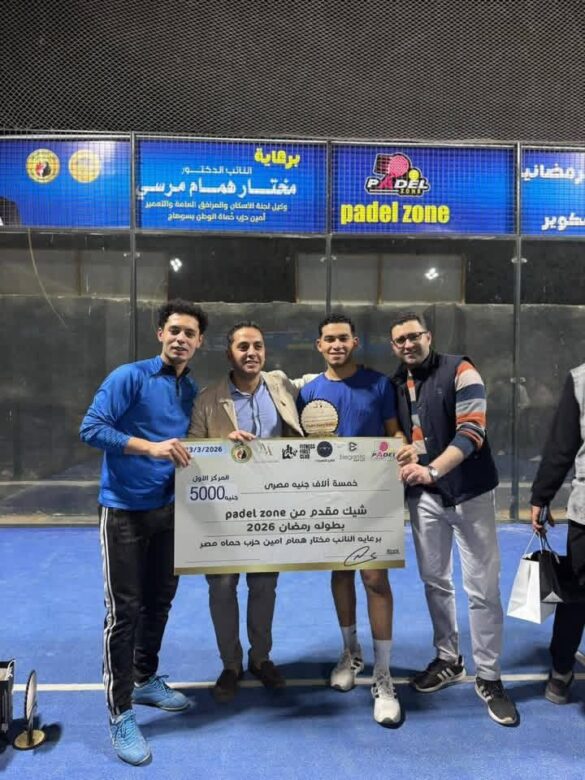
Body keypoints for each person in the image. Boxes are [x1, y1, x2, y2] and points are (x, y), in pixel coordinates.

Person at [80, 299, 208, 765]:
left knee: (160, 602)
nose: (180, 338)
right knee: (124, 613)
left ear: (199, 342)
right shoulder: (128, 377)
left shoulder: (191, 388)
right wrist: (149, 448)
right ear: (160, 334)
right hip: (124, 513)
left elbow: (196, 443)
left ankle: (145, 677)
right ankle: (120, 713)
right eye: (174, 330)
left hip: (170, 512)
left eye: (189, 333)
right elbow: (91, 428)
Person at [390, 311, 518, 726]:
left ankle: (490, 676)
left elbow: (472, 433)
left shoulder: (462, 370)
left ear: (428, 336)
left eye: (414, 336)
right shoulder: (397, 383)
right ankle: (449, 659)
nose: (408, 344)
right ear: (393, 346)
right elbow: (407, 434)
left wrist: (431, 470)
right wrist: (404, 450)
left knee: (482, 588)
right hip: (425, 498)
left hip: (470, 493)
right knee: (435, 581)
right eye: (400, 340)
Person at [297, 313, 413, 727]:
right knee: (341, 574)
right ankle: (351, 654)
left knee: (375, 579)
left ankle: (383, 676)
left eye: (343, 338)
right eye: (329, 339)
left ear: (355, 342)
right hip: (329, 500)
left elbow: (394, 432)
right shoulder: (308, 392)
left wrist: (401, 447)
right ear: (319, 345)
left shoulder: (379, 385)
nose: (336, 345)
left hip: (375, 496)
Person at [189, 321, 304, 703]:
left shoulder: (282, 385)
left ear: (265, 352)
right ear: (229, 354)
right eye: (243, 347)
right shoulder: (208, 399)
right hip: (222, 511)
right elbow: (191, 450)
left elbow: (321, 383)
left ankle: (261, 658)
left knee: (264, 586)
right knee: (222, 587)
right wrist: (225, 445)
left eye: (257, 345)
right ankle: (230, 665)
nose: (251, 352)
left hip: (271, 508)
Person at [530, 362, 585, 705]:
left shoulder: (581, 379)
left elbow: (562, 448)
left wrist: (541, 496)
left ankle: (561, 673)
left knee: (577, 593)